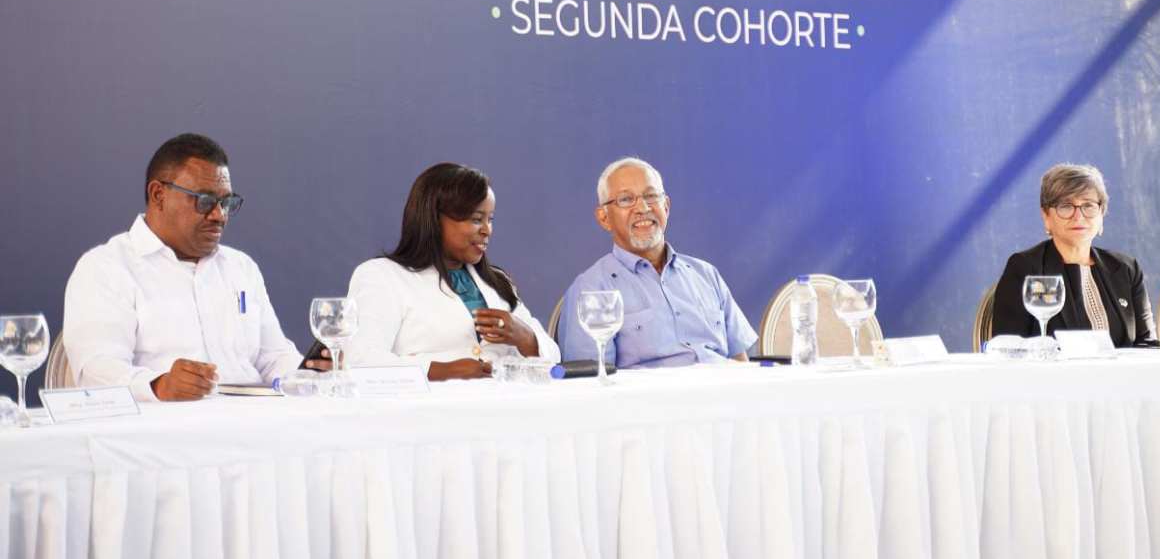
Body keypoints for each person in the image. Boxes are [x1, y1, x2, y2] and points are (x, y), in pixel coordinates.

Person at [63, 133, 325, 402]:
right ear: (158, 195)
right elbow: (94, 370)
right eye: (205, 200)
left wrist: (308, 373)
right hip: (160, 433)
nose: (218, 215)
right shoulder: (107, 268)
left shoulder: (241, 268)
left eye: (226, 203)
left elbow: (273, 358)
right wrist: (158, 386)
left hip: (253, 426)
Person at [341, 163, 559, 380]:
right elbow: (360, 361)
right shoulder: (382, 276)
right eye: (476, 219)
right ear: (434, 218)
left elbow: (553, 356)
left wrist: (525, 337)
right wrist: (441, 370)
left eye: (490, 219)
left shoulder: (497, 281)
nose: (487, 230)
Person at [560, 157, 758, 368]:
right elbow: (589, 382)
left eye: (651, 196)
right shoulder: (592, 289)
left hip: (724, 395)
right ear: (604, 218)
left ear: (666, 206)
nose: (643, 208)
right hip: (652, 400)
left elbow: (740, 364)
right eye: (626, 199)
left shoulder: (706, 275)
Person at [992, 163, 1159, 347]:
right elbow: (1010, 349)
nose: (1078, 216)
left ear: (1101, 213)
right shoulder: (1027, 268)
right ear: (1046, 215)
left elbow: (1148, 345)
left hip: (1124, 376)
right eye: (1065, 206)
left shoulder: (1126, 269)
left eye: (1088, 205)